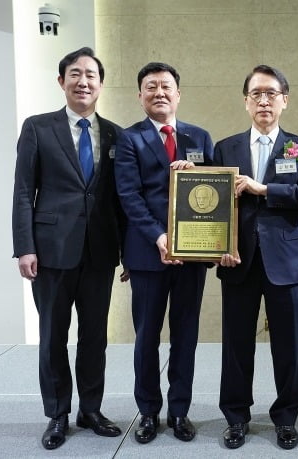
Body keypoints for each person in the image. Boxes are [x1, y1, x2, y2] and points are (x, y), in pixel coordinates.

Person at [12, 47, 127, 450]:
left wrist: (128, 252)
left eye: (91, 75)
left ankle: (90, 409)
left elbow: (121, 199)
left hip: (99, 251)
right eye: (75, 74)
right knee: (53, 336)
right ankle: (58, 413)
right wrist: (24, 247)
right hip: (50, 251)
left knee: (95, 336)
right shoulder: (38, 128)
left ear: (101, 83)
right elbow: (24, 191)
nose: (83, 81)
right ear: (61, 81)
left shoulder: (115, 134)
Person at [213, 65, 298, 450]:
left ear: (285, 101)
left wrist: (263, 189)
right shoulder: (225, 148)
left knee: (289, 346)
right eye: (256, 94)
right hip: (237, 260)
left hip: (287, 262)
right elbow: (210, 205)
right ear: (246, 101)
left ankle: (286, 418)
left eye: (271, 94)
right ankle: (236, 417)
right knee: (236, 345)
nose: (264, 100)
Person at [114, 62, 213, 444]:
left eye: (166, 86)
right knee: (147, 337)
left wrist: (196, 172)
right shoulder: (128, 139)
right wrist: (158, 235)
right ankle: (148, 412)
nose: (159, 92)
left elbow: (212, 193)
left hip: (193, 253)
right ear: (140, 96)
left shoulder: (200, 137)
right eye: (150, 87)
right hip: (147, 253)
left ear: (178, 93)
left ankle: (180, 411)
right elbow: (128, 196)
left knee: (186, 334)